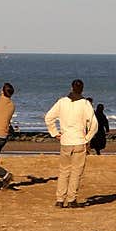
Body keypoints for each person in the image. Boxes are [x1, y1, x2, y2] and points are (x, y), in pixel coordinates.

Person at [44, 79, 97, 208]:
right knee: (76, 172)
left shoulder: (62, 102)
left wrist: (54, 132)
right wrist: (87, 138)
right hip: (79, 141)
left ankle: (60, 199)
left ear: (72, 88)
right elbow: (94, 124)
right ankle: (71, 199)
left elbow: (48, 118)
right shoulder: (85, 104)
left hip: (66, 141)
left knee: (64, 171)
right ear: (82, 89)